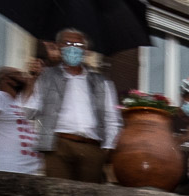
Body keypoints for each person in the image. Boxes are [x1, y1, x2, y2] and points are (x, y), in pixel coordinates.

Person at [25, 28, 120, 182]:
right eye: (67, 43)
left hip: (92, 147)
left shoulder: (102, 82)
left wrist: (108, 148)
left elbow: (112, 117)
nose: (73, 48)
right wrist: (34, 78)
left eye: (78, 44)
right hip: (57, 145)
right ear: (58, 47)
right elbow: (28, 112)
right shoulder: (47, 76)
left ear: (86, 51)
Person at [0, 66, 41, 174]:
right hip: (3, 172)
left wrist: (34, 77)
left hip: (25, 175)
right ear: (7, 79)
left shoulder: (17, 105)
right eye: (19, 74)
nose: (24, 76)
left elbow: (29, 90)